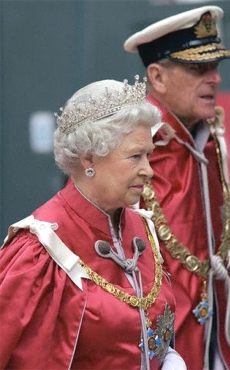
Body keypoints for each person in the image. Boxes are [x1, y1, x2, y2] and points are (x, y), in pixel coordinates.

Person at [0, 77, 187, 370]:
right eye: (135, 156)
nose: (148, 170)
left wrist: (169, 359)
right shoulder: (38, 250)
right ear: (89, 158)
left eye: (148, 155)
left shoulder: (142, 229)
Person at [124, 6, 230, 370]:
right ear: (157, 76)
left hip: (217, 341)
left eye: (216, 67)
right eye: (198, 69)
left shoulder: (206, 139)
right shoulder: (130, 148)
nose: (214, 79)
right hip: (159, 350)